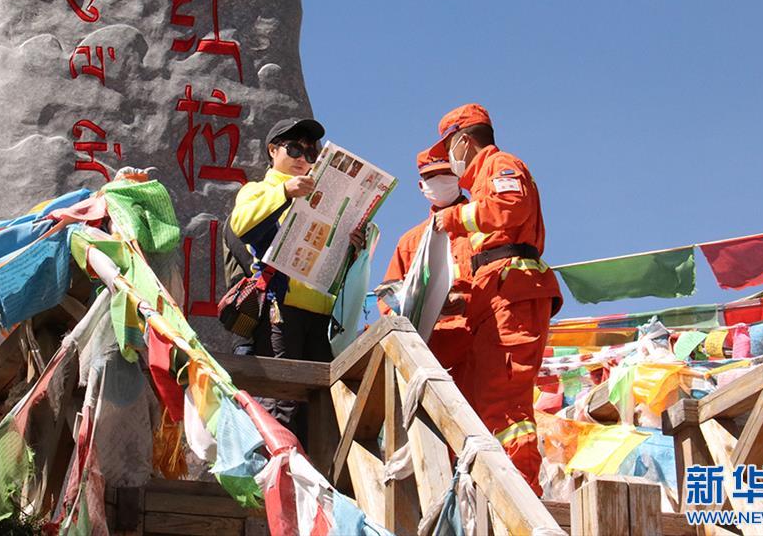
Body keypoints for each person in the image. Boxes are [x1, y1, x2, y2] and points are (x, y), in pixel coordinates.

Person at [429, 103, 562, 496]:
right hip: (493, 296)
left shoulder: (502, 164)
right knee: (480, 404)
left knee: (506, 407)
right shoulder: (483, 180)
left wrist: (453, 219)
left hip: (513, 294)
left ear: (463, 141)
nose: (448, 160)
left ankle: (522, 501)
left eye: (448, 149)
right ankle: (491, 497)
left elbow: (509, 208)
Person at [229, 117, 365, 441]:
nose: (303, 158)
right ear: (273, 150)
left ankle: (317, 470)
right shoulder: (259, 190)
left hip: (322, 315)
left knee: (323, 406)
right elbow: (239, 224)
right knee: (283, 403)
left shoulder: (324, 196)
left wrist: (353, 247)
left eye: (311, 153)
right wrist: (284, 192)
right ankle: (283, 468)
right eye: (294, 149)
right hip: (281, 309)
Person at [380, 148, 475, 402]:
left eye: (446, 174)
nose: (439, 182)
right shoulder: (409, 241)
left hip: (477, 345)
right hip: (429, 353)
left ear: (459, 178)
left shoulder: (481, 226)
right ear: (422, 186)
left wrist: (466, 302)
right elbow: (388, 300)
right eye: (431, 177)